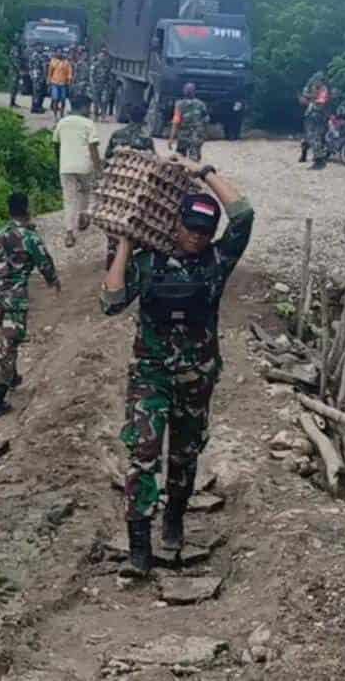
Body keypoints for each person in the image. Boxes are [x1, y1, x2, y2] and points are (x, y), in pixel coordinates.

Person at [102, 159, 254, 575]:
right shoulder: (149, 261)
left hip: (196, 376)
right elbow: (112, 303)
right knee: (143, 454)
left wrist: (203, 172)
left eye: (205, 231)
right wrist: (125, 247)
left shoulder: (216, 261)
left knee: (185, 455)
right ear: (175, 224)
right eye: (191, 228)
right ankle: (138, 544)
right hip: (150, 375)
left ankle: (174, 518)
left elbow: (243, 214)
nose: (197, 236)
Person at [0, 193, 61, 417]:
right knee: (8, 347)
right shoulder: (29, 237)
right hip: (15, 300)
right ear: (27, 210)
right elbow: (45, 263)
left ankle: (13, 376)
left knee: (10, 340)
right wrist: (54, 282)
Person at [103, 106, 156, 269]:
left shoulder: (117, 135)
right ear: (144, 116)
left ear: (128, 115)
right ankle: (130, 254)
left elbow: (107, 159)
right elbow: (152, 163)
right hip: (138, 187)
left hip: (118, 185)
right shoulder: (146, 139)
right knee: (136, 219)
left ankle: (112, 252)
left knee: (114, 217)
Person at [53, 93, 102, 247]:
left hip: (65, 166)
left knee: (69, 199)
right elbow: (93, 147)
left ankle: (69, 234)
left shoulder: (62, 122)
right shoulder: (88, 124)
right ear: (84, 107)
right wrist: (98, 168)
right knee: (87, 191)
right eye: (89, 107)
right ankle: (83, 215)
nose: (90, 110)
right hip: (84, 166)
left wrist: (59, 161)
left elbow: (56, 143)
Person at [168, 83, 210, 162]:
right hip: (197, 136)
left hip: (184, 136)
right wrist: (204, 135)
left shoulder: (179, 105)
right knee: (194, 160)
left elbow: (175, 123)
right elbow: (206, 120)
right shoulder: (201, 104)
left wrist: (171, 139)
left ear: (184, 91)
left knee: (179, 158)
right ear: (194, 92)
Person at [298, 71, 331, 166]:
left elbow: (321, 101)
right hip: (311, 114)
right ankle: (316, 157)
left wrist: (310, 98)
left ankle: (316, 156)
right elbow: (304, 100)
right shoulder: (310, 88)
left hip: (319, 115)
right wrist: (307, 98)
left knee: (316, 136)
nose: (318, 82)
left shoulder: (323, 89)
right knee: (312, 135)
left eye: (319, 80)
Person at [48, 49, 74, 119]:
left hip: (63, 83)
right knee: (55, 99)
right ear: (56, 53)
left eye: (60, 52)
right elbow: (50, 72)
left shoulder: (66, 62)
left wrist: (69, 79)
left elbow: (69, 72)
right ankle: (55, 115)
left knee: (63, 99)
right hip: (55, 83)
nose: (59, 53)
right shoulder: (53, 61)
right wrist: (49, 81)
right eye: (58, 52)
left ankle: (62, 114)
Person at [91, 47, 113, 119]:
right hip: (96, 85)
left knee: (104, 101)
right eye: (102, 55)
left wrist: (109, 84)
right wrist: (93, 85)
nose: (103, 57)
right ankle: (96, 116)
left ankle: (103, 116)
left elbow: (109, 76)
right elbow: (91, 76)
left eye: (104, 55)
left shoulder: (107, 66)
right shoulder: (95, 65)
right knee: (96, 101)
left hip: (104, 86)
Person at [8, 42, 25, 108]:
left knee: (15, 88)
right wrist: (19, 70)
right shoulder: (15, 49)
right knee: (13, 87)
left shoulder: (17, 50)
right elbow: (15, 61)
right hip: (14, 72)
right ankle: (12, 103)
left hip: (15, 72)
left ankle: (13, 102)